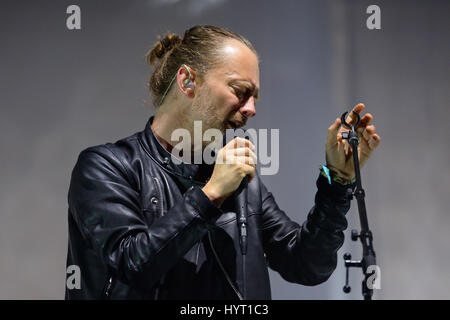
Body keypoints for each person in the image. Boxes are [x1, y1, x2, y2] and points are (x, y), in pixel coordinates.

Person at [65, 25, 380, 300]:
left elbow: (307, 265)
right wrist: (212, 193)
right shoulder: (105, 167)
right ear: (188, 81)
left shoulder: (242, 184)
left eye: (255, 97)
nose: (251, 109)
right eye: (240, 92)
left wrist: (337, 181)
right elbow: (133, 264)